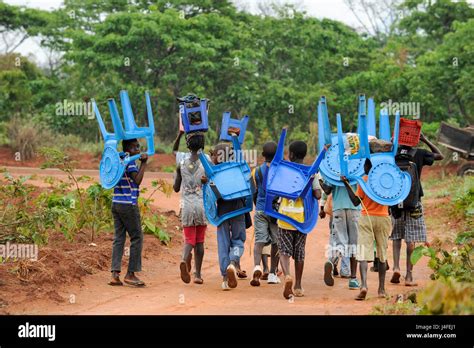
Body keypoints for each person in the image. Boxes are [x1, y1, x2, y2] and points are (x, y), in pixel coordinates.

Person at [390, 132, 444, 286]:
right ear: (414, 139)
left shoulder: (393, 154)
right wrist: (425, 140)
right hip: (414, 202)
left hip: (396, 201)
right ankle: (408, 276)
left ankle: (395, 267)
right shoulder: (419, 153)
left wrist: (392, 143)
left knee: (396, 237)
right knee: (411, 239)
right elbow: (439, 156)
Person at [341, 159, 392, 300]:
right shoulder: (385, 179)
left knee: (363, 253)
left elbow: (356, 201)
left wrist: (346, 184)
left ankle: (364, 285)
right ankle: (381, 289)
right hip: (383, 217)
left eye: (365, 165)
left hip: (366, 217)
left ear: (368, 167)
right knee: (382, 254)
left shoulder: (363, 180)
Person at [276, 141, 321, 299]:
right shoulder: (310, 172)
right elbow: (318, 195)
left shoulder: (284, 171)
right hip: (301, 219)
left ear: (292, 155)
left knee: (284, 251)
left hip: (285, 217)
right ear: (304, 155)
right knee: (299, 253)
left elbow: (275, 192)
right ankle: (298, 285)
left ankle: (287, 275)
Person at [204, 141, 247, 291]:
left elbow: (211, 195)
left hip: (222, 210)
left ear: (217, 157)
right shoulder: (237, 169)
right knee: (238, 240)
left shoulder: (214, 173)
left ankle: (224, 277)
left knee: (223, 242)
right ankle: (233, 262)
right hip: (238, 209)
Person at [109, 138, 147, 287]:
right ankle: (131, 274)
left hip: (116, 203)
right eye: (135, 147)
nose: (138, 149)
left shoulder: (117, 159)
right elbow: (136, 180)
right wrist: (143, 163)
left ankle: (115, 274)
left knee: (119, 238)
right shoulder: (130, 161)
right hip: (128, 205)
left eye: (138, 146)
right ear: (128, 149)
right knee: (137, 237)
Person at [173, 130, 207, 285]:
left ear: (187, 145)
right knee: (200, 241)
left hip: (186, 205)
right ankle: (198, 274)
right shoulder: (206, 161)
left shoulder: (181, 162)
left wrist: (180, 135)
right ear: (203, 145)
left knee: (189, 239)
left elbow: (175, 187)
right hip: (201, 205)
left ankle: (183, 260)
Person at [321, 173, 361, 290]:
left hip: (338, 208)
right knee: (354, 244)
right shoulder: (357, 166)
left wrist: (320, 182)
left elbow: (327, 190)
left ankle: (331, 261)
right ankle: (353, 279)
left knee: (340, 241)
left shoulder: (334, 169)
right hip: (354, 209)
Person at [250, 141, 281, 286]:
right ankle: (273, 274)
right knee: (276, 242)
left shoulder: (256, 171)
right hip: (275, 211)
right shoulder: (280, 171)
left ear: (263, 155)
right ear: (277, 156)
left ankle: (257, 266)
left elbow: (254, 192)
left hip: (261, 208)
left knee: (259, 240)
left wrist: (258, 207)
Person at [319, 192, 351, 278]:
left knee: (335, 239)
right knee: (348, 240)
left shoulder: (334, 178)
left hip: (336, 210)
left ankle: (332, 264)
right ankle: (345, 269)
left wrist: (322, 208)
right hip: (351, 211)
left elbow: (325, 191)